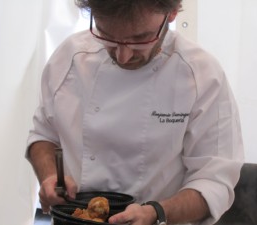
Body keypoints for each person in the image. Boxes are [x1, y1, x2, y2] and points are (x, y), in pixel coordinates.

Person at [26, 0, 244, 225]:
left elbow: (213, 183)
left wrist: (157, 212)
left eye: (140, 39)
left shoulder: (201, 76)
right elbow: (44, 135)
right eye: (107, 35)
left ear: (171, 13)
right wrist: (51, 176)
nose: (122, 56)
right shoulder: (69, 57)